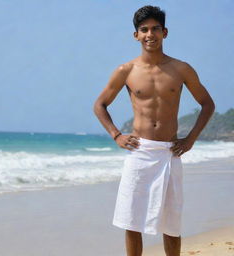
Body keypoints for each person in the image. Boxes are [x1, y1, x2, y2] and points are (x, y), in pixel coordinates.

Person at [93, 5, 215, 256]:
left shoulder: (181, 69)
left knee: (172, 222)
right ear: (136, 35)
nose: (150, 34)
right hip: (140, 151)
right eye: (144, 29)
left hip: (170, 153)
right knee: (132, 220)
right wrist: (117, 135)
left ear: (165, 32)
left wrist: (191, 139)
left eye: (155, 29)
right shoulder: (125, 71)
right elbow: (100, 104)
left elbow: (207, 104)